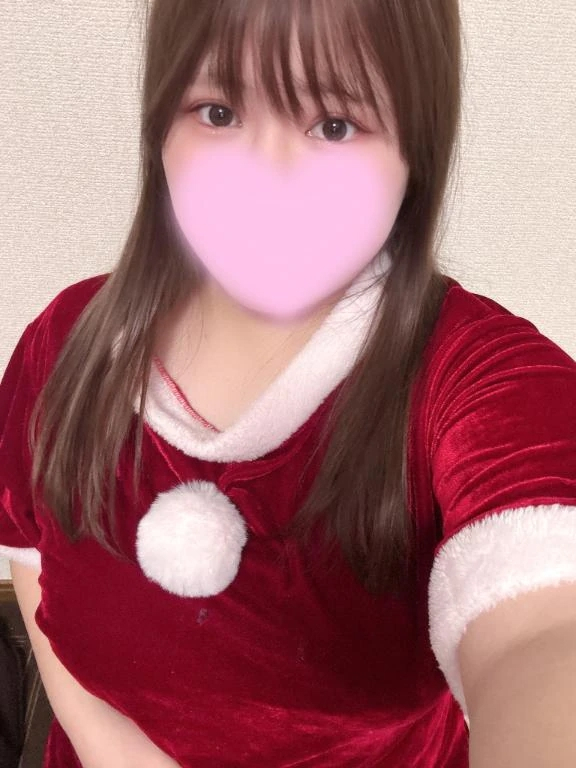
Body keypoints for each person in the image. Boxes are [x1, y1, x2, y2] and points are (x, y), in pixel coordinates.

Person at [1, 1, 575, 766]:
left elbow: (544, 627)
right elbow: (31, 557)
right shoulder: (65, 340)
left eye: (334, 124)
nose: (265, 178)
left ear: (416, 147)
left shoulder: (470, 381)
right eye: (218, 111)